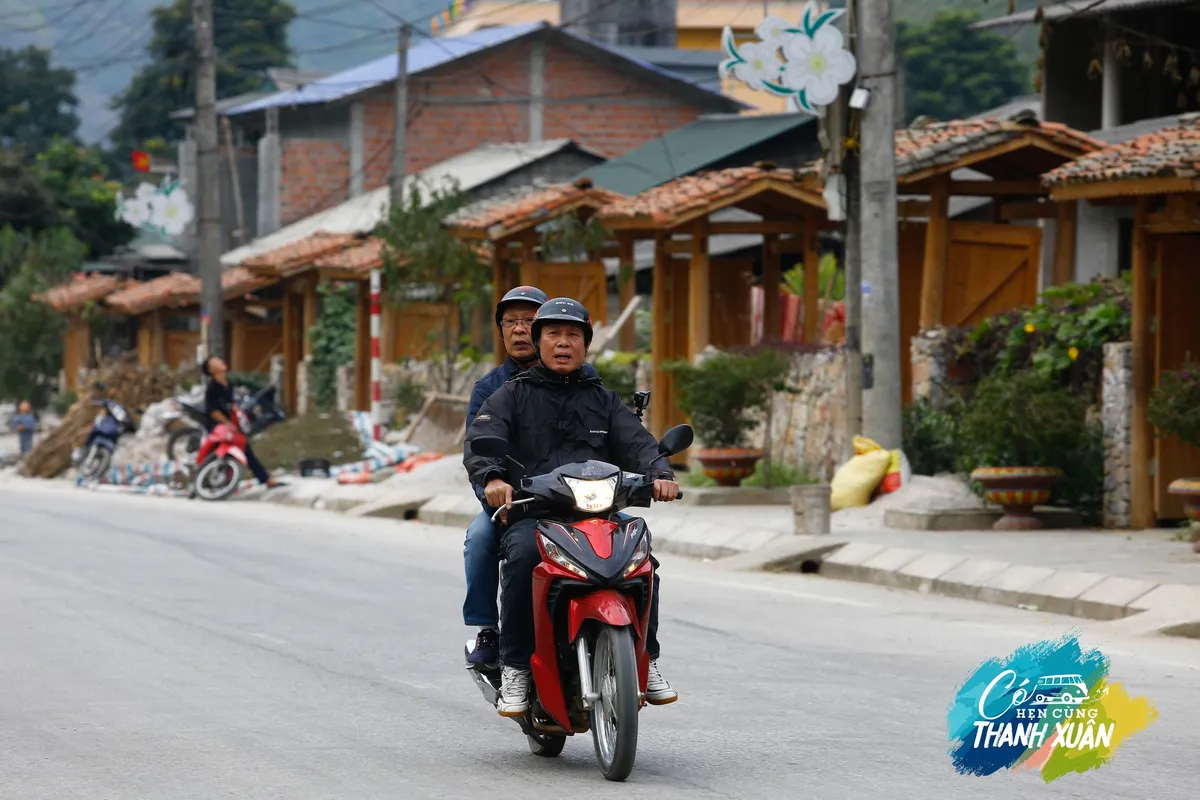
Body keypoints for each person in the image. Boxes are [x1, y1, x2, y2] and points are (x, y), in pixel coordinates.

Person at [465, 297, 680, 717]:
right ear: (540, 341)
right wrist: (492, 478)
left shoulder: (603, 398)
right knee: (524, 554)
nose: (563, 344)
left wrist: (661, 474)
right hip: (536, 513)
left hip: (598, 512)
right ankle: (515, 667)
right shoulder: (509, 394)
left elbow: (638, 443)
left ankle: (647, 658)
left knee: (640, 555)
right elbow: (481, 443)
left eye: (573, 336)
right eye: (554, 335)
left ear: (586, 344)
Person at [462, 286, 606, 667]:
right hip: (517, 502)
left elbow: (620, 436)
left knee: (635, 543)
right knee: (480, 538)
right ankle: (489, 630)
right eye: (512, 322)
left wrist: (651, 472)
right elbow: (477, 449)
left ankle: (645, 655)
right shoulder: (494, 390)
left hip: (577, 498)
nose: (521, 330)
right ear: (501, 330)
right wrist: (494, 491)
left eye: (529, 321)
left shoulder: (587, 382)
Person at [201, 355, 279, 488]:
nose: (221, 362)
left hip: (231, 424)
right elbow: (213, 411)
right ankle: (202, 481)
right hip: (217, 425)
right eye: (216, 362)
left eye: (220, 360)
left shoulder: (228, 384)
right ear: (211, 370)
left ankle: (265, 479)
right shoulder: (212, 388)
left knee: (245, 449)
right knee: (214, 455)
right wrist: (226, 422)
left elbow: (231, 404)